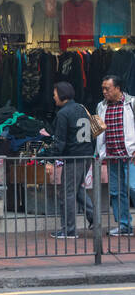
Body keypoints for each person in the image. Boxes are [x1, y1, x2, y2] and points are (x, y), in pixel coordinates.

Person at [39, 81, 95, 239]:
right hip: (86, 155)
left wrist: (51, 159)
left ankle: (69, 230)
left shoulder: (63, 113)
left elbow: (60, 141)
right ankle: (94, 219)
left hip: (73, 157)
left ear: (62, 94)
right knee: (76, 190)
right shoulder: (81, 108)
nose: (53, 97)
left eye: (55, 93)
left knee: (67, 193)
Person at [96, 75, 135, 236]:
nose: (104, 92)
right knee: (116, 191)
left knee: (133, 187)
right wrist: (100, 152)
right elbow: (98, 130)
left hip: (131, 155)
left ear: (118, 88)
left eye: (108, 88)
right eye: (103, 89)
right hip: (112, 156)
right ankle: (124, 225)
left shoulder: (131, 103)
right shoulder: (101, 106)